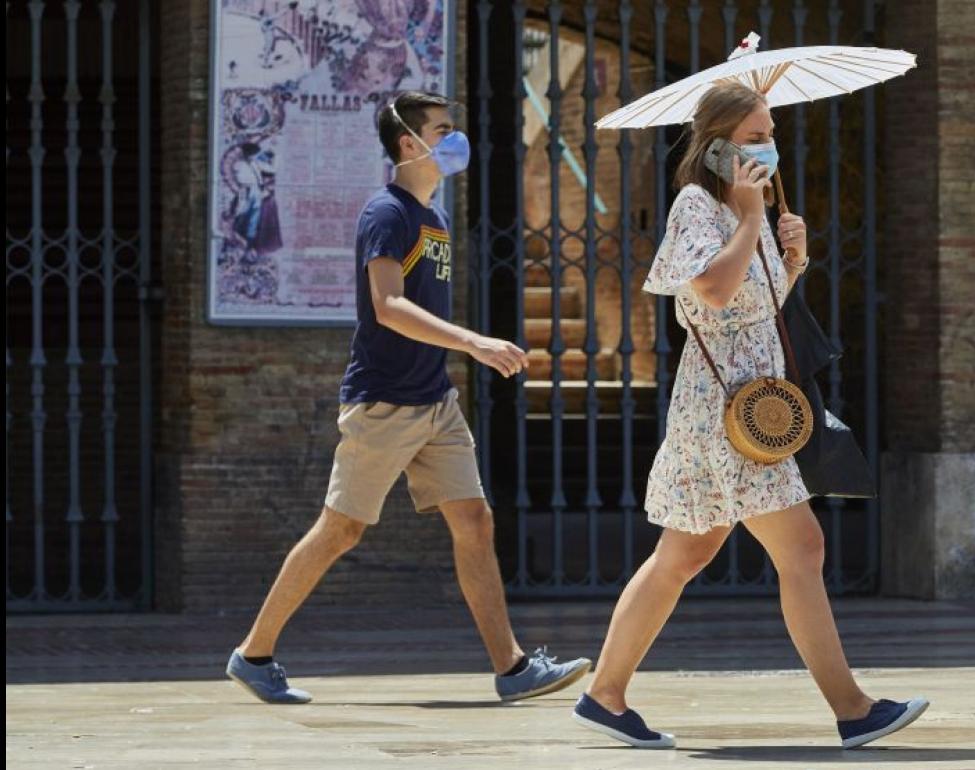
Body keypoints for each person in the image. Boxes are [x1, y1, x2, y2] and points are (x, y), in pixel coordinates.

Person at [570, 82, 927, 750]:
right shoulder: (696, 208)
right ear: (717, 146)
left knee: (685, 551)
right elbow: (711, 289)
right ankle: (852, 709)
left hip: (748, 405)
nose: (769, 144)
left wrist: (793, 259)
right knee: (803, 547)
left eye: (770, 132)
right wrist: (751, 218)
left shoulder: (743, 209)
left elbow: (755, 306)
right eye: (756, 134)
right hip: (722, 413)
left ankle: (604, 694)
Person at [226, 91, 591, 705]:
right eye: (444, 129)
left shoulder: (436, 218)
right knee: (340, 530)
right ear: (409, 143)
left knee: (474, 521)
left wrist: (457, 355)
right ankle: (253, 653)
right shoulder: (386, 213)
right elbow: (388, 306)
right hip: (384, 403)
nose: (455, 139)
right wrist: (473, 341)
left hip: (434, 402)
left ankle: (513, 667)